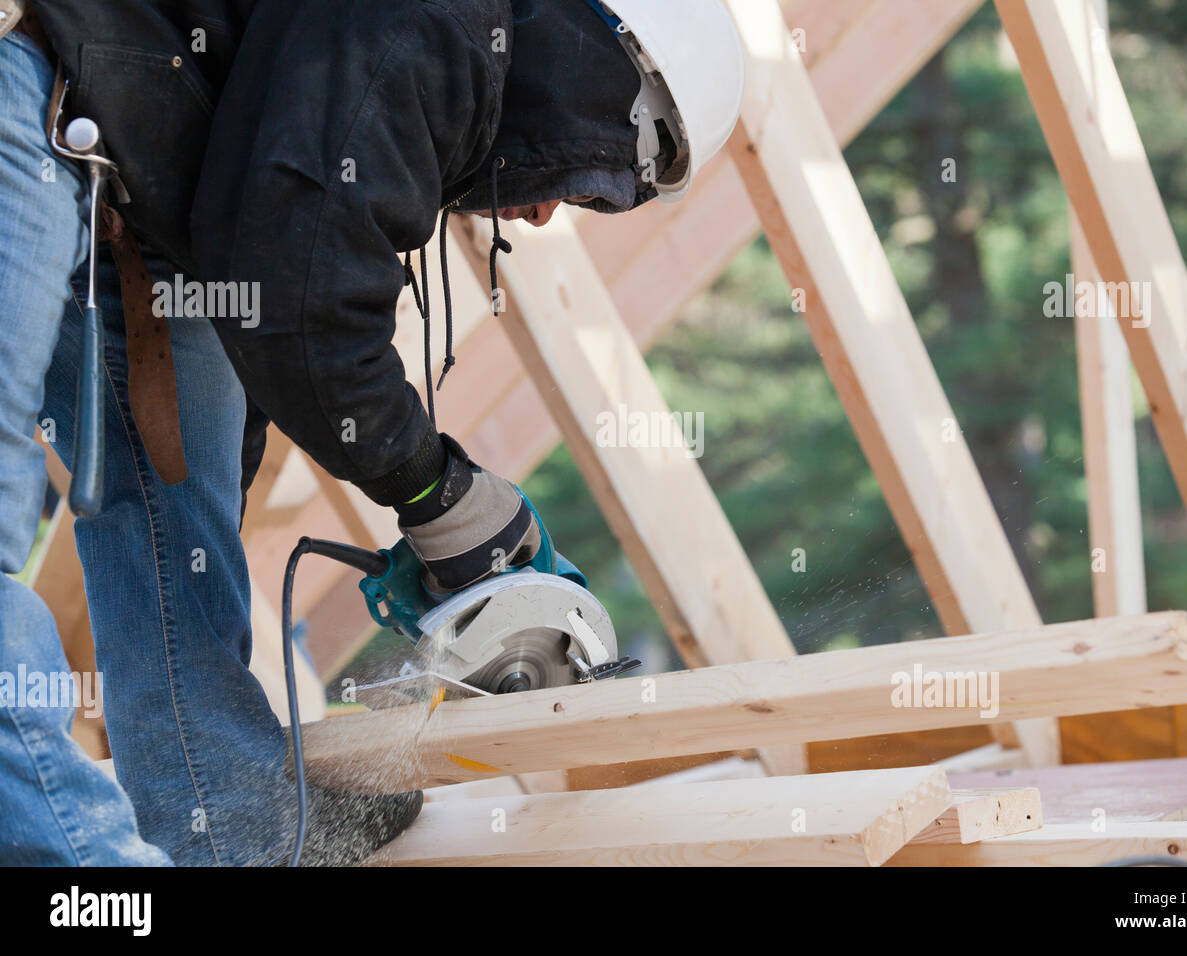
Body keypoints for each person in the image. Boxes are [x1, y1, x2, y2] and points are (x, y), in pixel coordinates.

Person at [0, 0, 742, 865]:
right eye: (611, 174)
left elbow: (277, 286)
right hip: (26, 76)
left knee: (181, 537)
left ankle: (229, 828)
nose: (552, 215)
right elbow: (305, 305)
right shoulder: (438, 15)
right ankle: (89, 878)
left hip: (143, 188)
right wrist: (436, 493)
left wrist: (436, 495)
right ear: (608, 61)